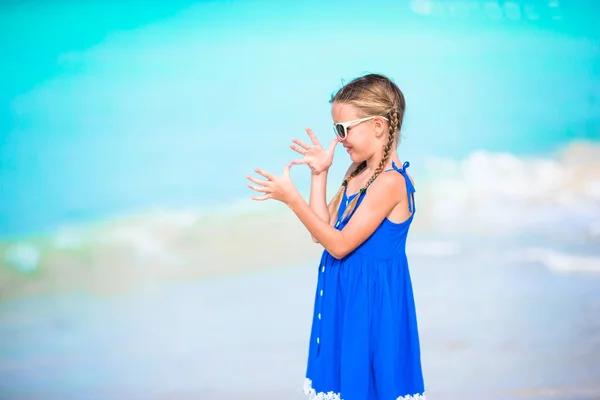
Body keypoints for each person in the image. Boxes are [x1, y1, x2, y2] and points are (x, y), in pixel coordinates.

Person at [247, 73, 425, 400]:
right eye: (336, 130)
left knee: (370, 387)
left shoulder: (391, 183)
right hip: (346, 297)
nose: (340, 139)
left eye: (344, 129)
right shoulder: (357, 172)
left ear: (378, 126)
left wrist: (292, 199)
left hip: (371, 307)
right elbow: (323, 229)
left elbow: (339, 245)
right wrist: (319, 174)